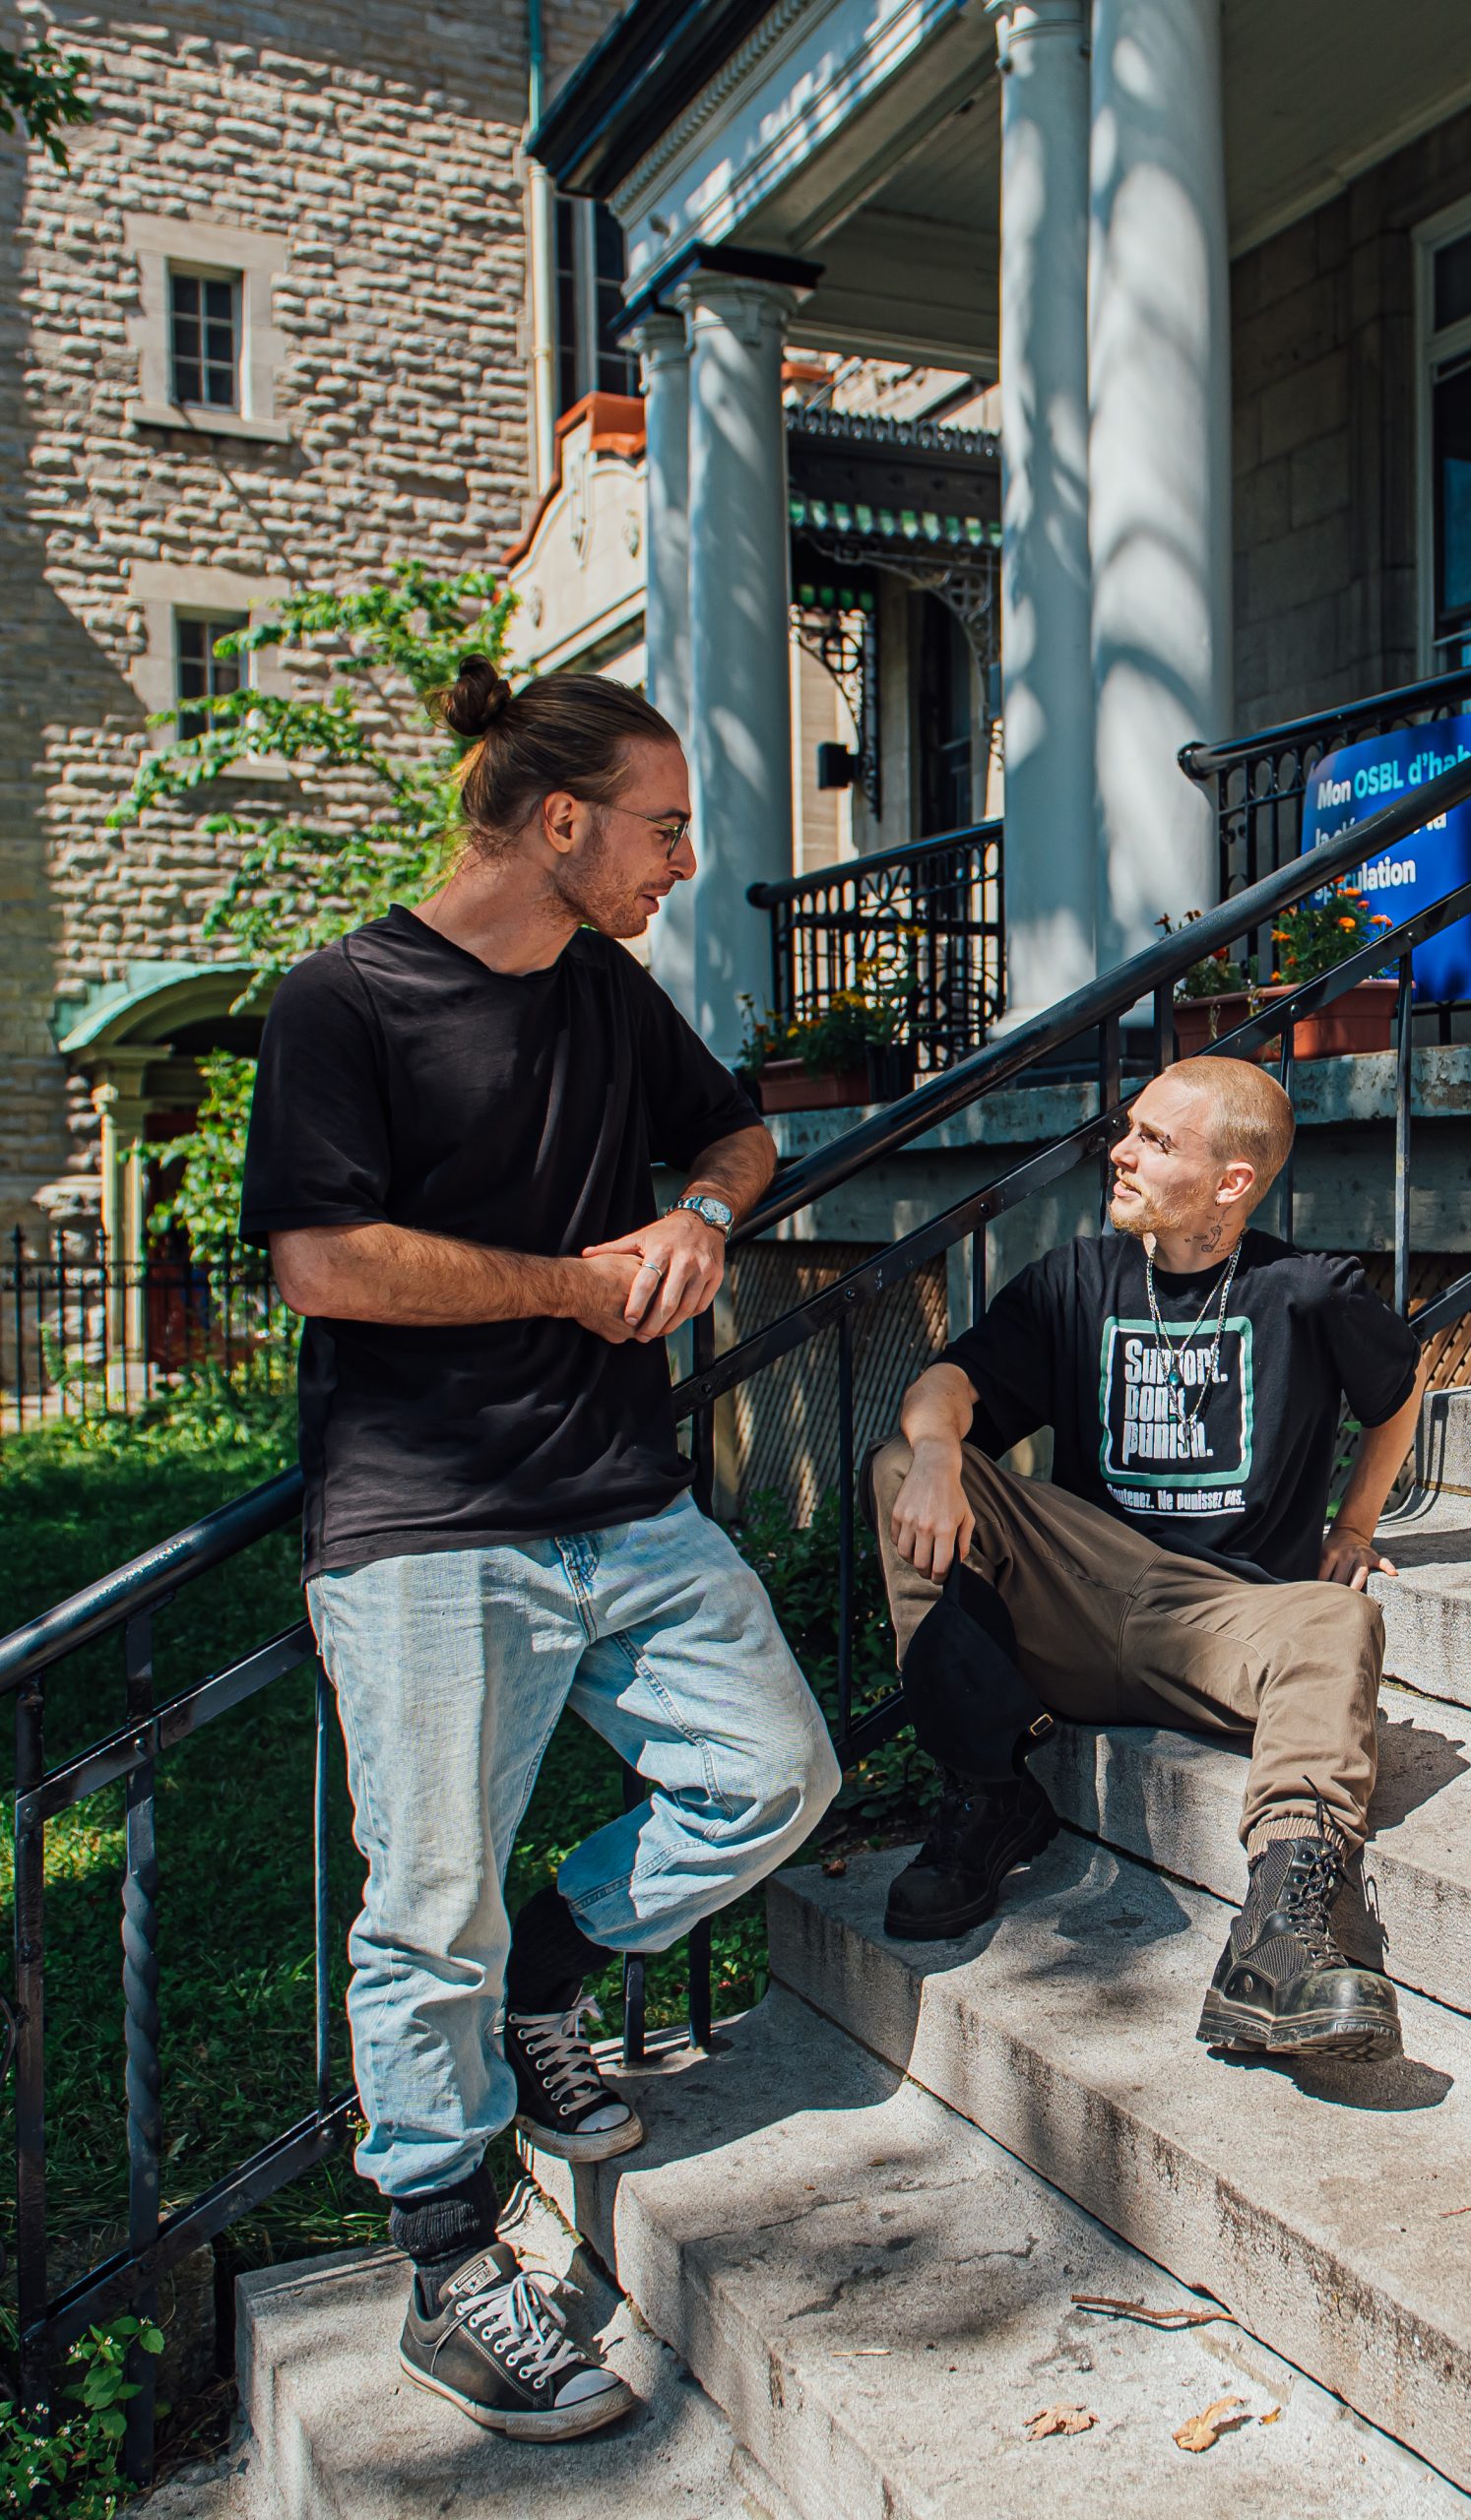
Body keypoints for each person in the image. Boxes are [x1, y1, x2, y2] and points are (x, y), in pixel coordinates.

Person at [240, 660, 839, 2440]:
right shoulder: (345, 1000)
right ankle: (447, 2257)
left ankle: (545, 1983)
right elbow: (325, 1263)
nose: (684, 861)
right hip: (426, 1528)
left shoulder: (605, 987)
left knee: (773, 1775)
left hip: (626, 1503)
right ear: (560, 820)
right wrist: (574, 1287)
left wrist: (704, 1213)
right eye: (664, 827)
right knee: (428, 1905)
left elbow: (739, 1128)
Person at [870, 1055, 1427, 2060]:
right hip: (1079, 1591)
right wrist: (941, 1454)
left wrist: (1353, 1527)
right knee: (902, 1459)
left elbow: (1399, 1390)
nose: (1120, 1153)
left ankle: (1280, 1934)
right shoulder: (1075, 1280)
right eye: (1127, 1130)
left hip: (1221, 1619)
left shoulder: (1306, 1291)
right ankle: (987, 1790)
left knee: (1339, 1618)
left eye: (1156, 1141)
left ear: (1231, 1182)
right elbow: (947, 1385)